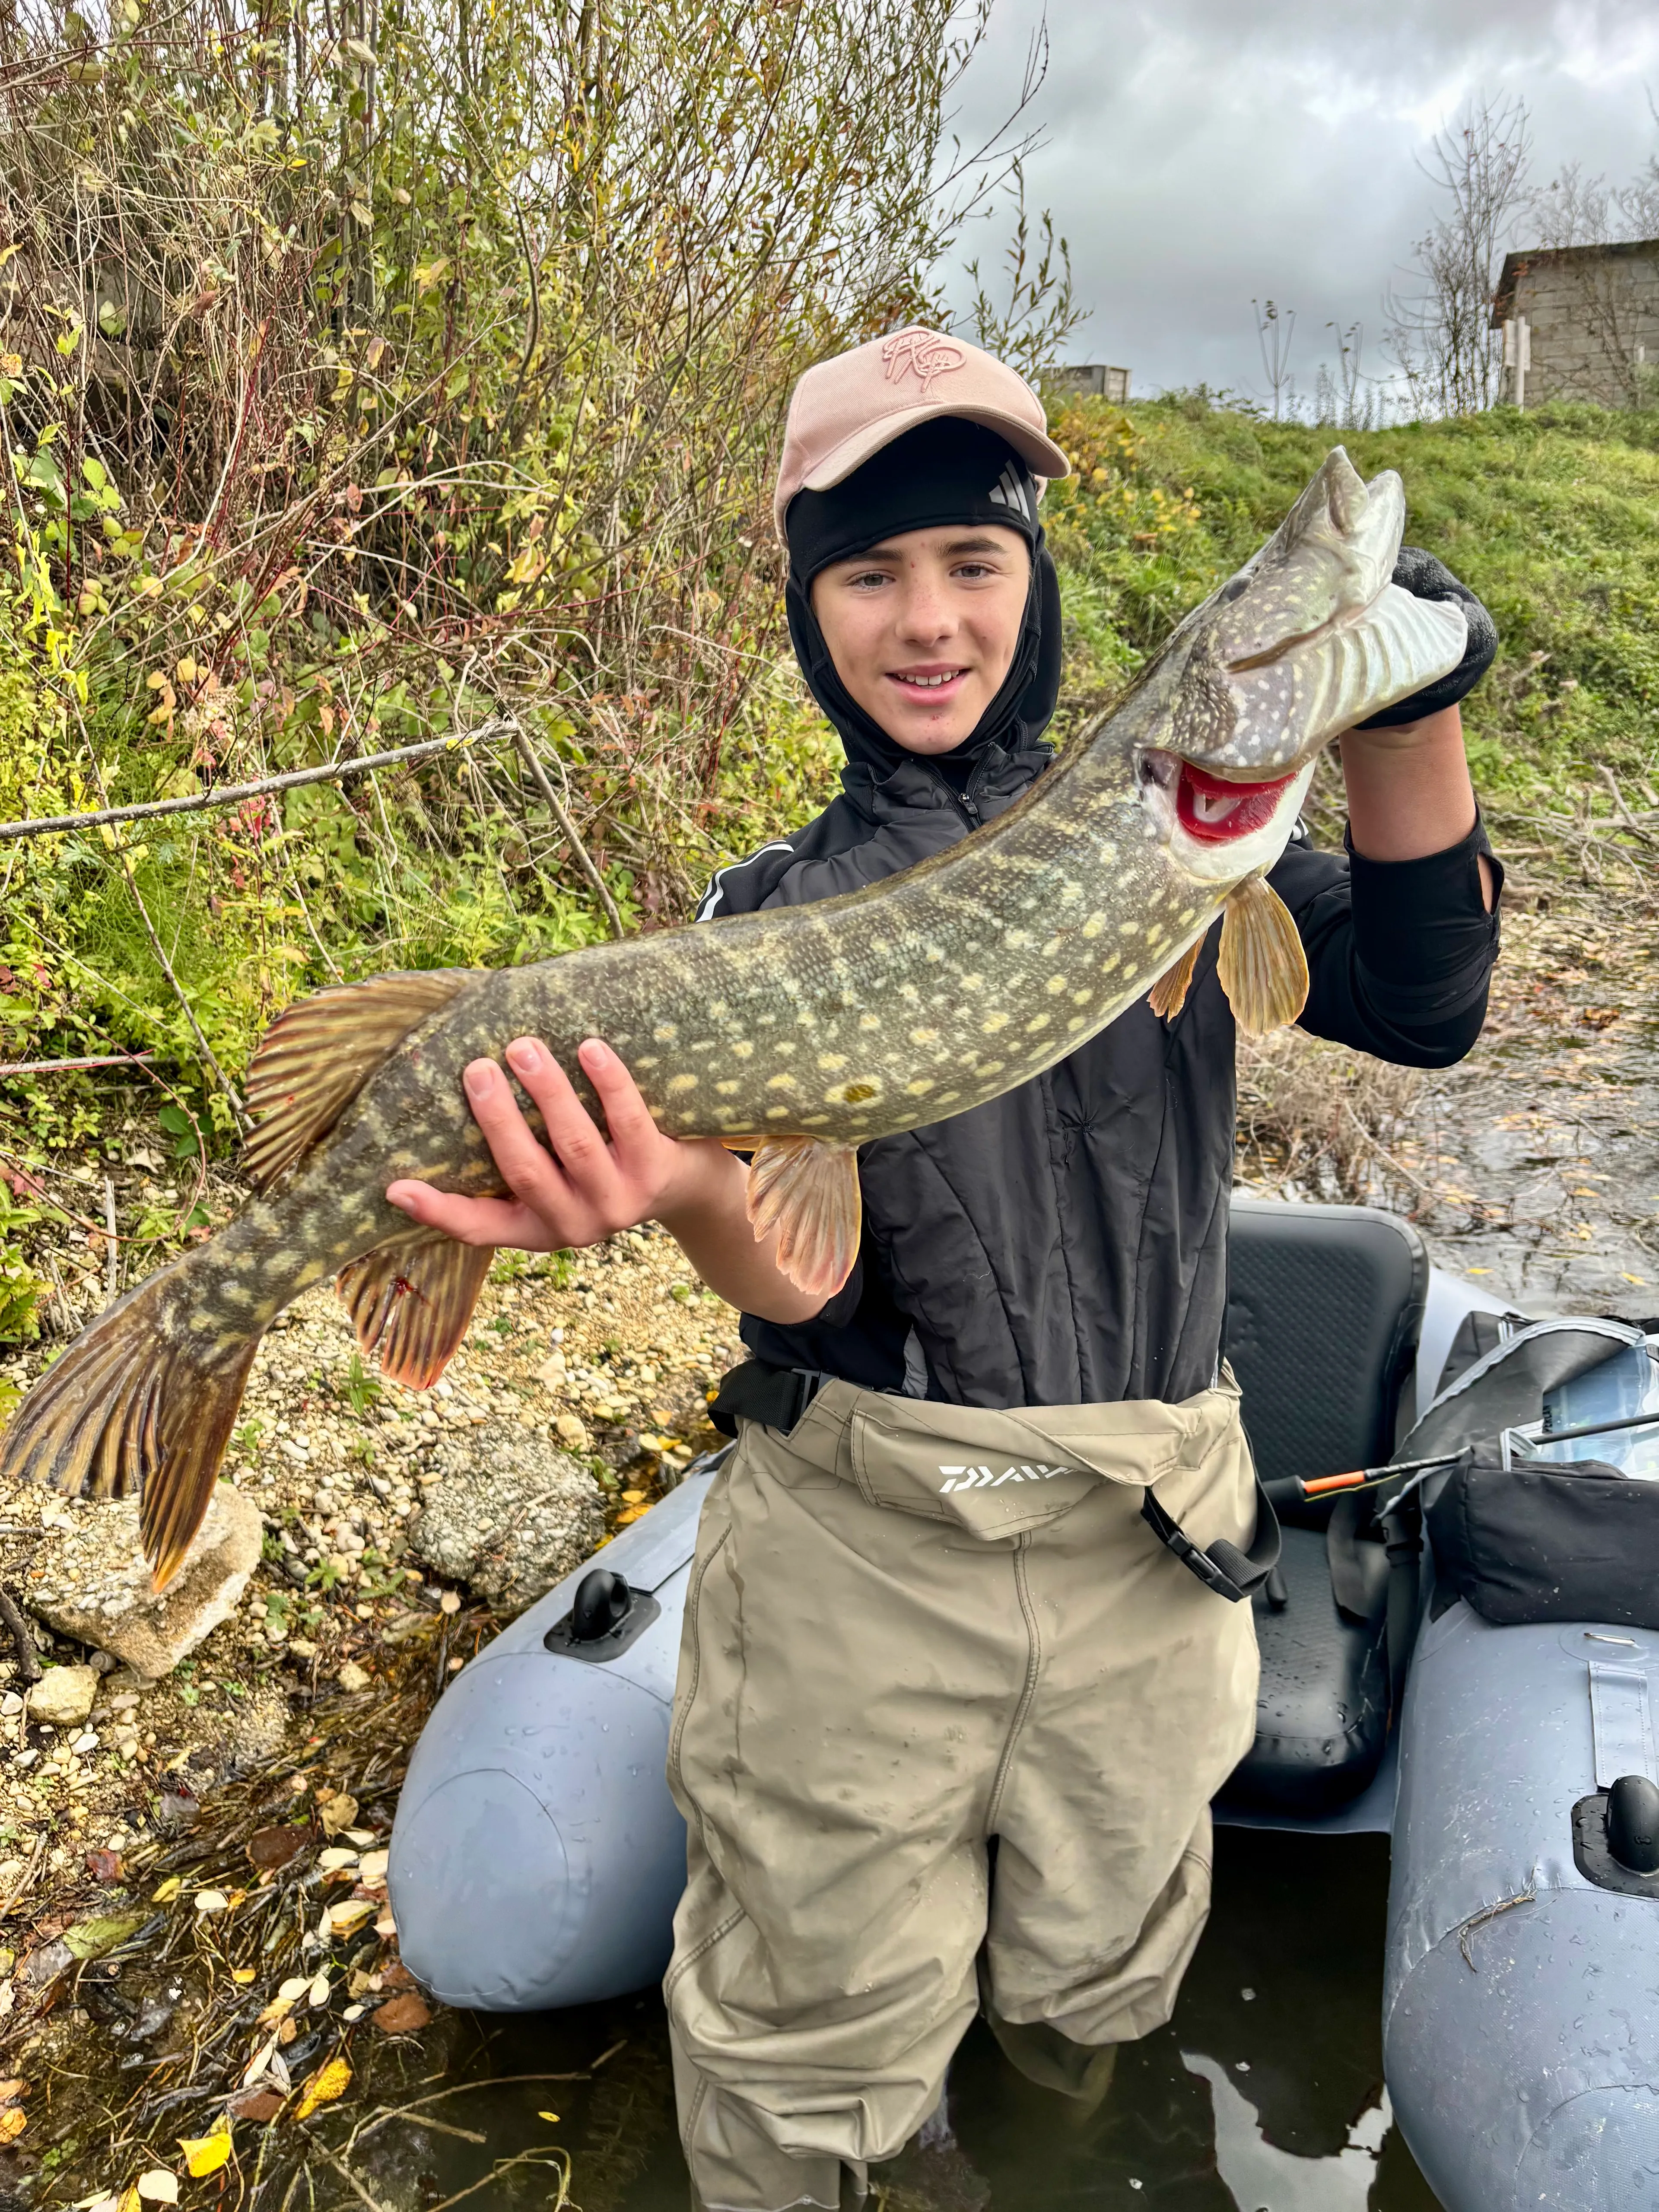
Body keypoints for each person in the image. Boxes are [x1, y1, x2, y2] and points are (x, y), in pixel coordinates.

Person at [385, 329, 1501, 2212]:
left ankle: (1067, 2139)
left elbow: (1428, 995)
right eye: (870, 572)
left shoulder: (1182, 841)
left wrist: (1407, 703)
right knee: (810, 2029)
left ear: (1035, 585)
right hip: (863, 1564)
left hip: (1148, 1542)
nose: (928, 617)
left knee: (1102, 1965)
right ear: (811, 609)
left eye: (975, 563)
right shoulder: (771, 918)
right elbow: (813, 1301)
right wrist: (676, 1191)